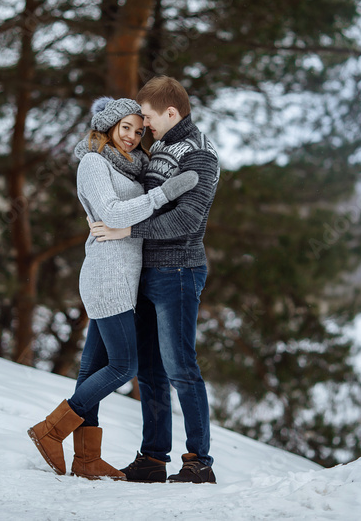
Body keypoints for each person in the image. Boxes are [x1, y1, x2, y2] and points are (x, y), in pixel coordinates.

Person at [28, 96, 199, 480]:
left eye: (139, 132)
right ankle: (50, 430)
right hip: (107, 276)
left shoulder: (132, 169)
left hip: (125, 277)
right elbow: (113, 213)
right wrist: (163, 193)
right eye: (125, 128)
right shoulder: (92, 162)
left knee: (91, 369)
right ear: (108, 125)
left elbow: (128, 214)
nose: (132, 137)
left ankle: (87, 459)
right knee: (125, 366)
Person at [90, 76, 220, 484]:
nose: (143, 126)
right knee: (149, 372)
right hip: (145, 270)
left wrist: (124, 232)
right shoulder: (160, 146)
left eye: (147, 117)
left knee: (180, 367)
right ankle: (152, 459)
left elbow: (187, 218)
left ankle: (199, 461)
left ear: (171, 112)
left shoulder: (199, 154)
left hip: (178, 271)